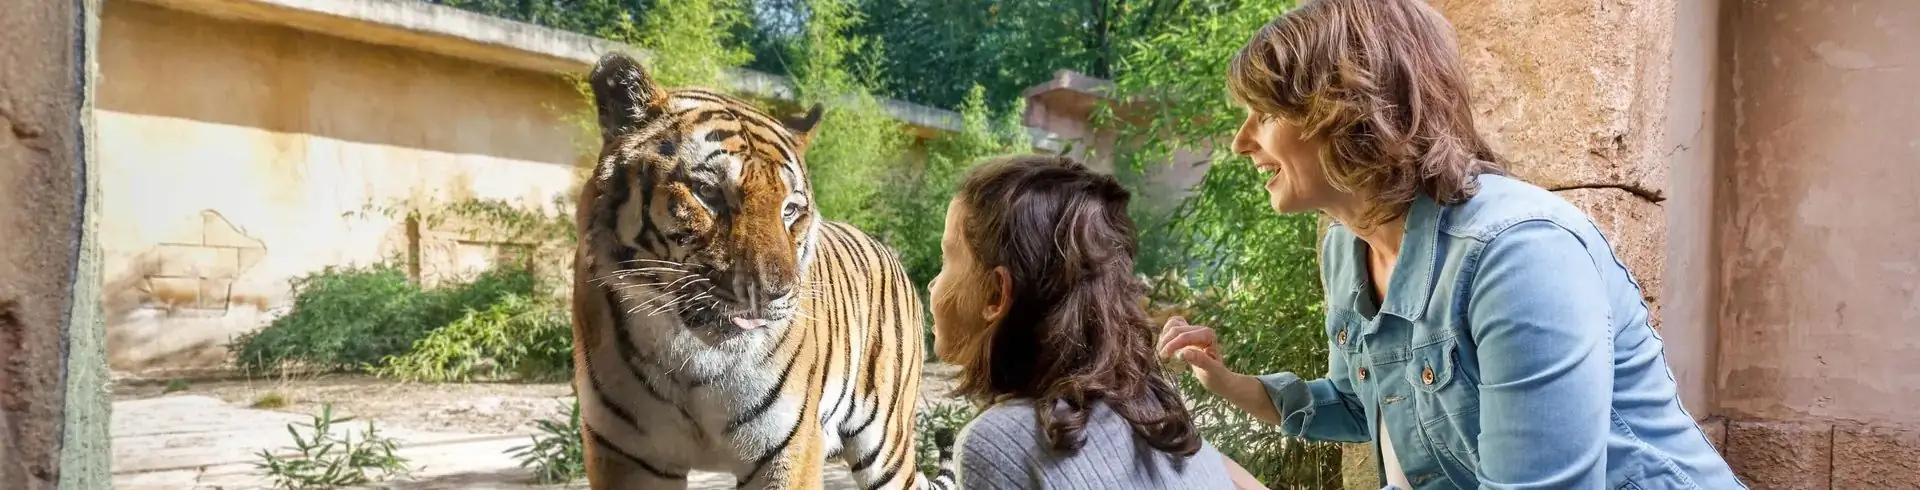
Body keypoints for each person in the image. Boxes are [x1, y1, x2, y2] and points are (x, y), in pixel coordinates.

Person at [1155, 0, 1746, 489]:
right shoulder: (1346, 248)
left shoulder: (1518, 252)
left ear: (1341, 107)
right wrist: (1228, 384)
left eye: (1262, 113)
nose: (1239, 142)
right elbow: (1361, 405)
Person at [927, 155, 1264, 489]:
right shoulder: (1150, 409)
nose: (932, 284)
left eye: (946, 259)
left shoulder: (998, 444)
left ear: (995, 295)